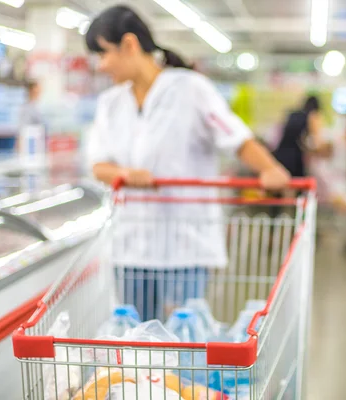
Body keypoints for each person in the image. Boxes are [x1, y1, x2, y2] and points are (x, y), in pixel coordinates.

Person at [85, 5, 290, 321]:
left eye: (104, 54)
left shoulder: (190, 89)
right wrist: (126, 173)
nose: (101, 66)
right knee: (138, 344)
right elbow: (99, 164)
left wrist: (269, 169)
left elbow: (234, 136)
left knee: (181, 346)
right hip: (130, 246)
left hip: (186, 244)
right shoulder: (110, 104)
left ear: (129, 45)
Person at [273, 95, 325, 178]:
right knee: (297, 185)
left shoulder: (292, 114)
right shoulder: (312, 116)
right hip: (295, 159)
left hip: (279, 154)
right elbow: (316, 142)